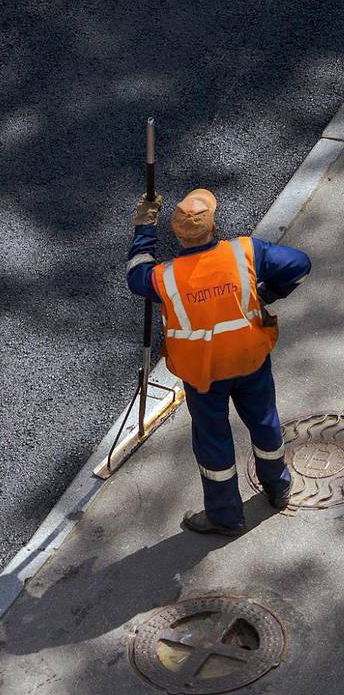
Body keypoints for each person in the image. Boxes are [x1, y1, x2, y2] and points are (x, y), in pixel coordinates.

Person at [126, 188, 310, 536]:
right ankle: (279, 487)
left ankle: (226, 517)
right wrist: (267, 294)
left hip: (202, 373)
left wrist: (143, 227)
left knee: (213, 440)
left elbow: (137, 274)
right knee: (265, 422)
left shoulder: (166, 278)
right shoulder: (243, 252)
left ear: (178, 234)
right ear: (212, 226)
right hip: (250, 358)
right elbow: (300, 265)